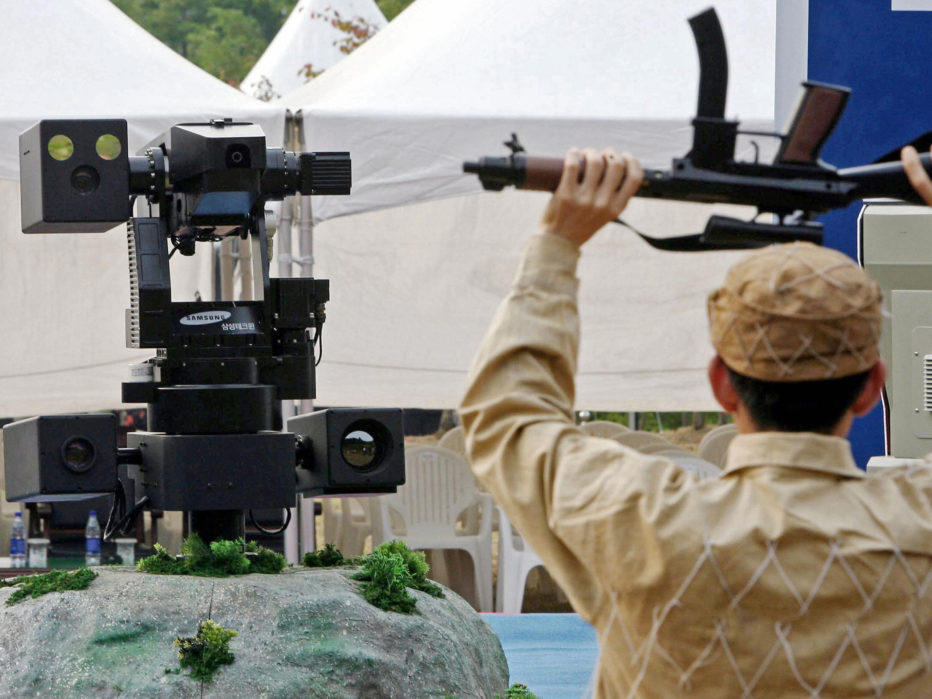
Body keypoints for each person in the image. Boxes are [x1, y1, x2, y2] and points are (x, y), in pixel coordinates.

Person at [460, 147, 932, 696]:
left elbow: (508, 417)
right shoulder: (917, 522)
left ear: (721, 384)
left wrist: (556, 244)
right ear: (872, 388)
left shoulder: (643, 519)